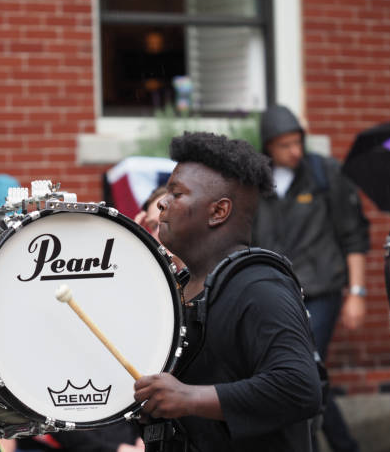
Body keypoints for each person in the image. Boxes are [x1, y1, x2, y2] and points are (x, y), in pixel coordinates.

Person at [133, 131, 322, 451]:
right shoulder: (179, 288)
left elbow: (300, 387)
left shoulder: (260, 286)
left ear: (218, 211)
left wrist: (190, 398)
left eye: (176, 194)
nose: (162, 202)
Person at [252, 105, 370, 452]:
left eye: (298, 142)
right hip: (275, 294)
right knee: (299, 372)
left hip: (321, 290)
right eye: (285, 145)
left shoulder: (325, 173)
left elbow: (354, 234)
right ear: (268, 147)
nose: (295, 151)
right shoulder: (256, 182)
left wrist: (357, 292)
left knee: (302, 364)